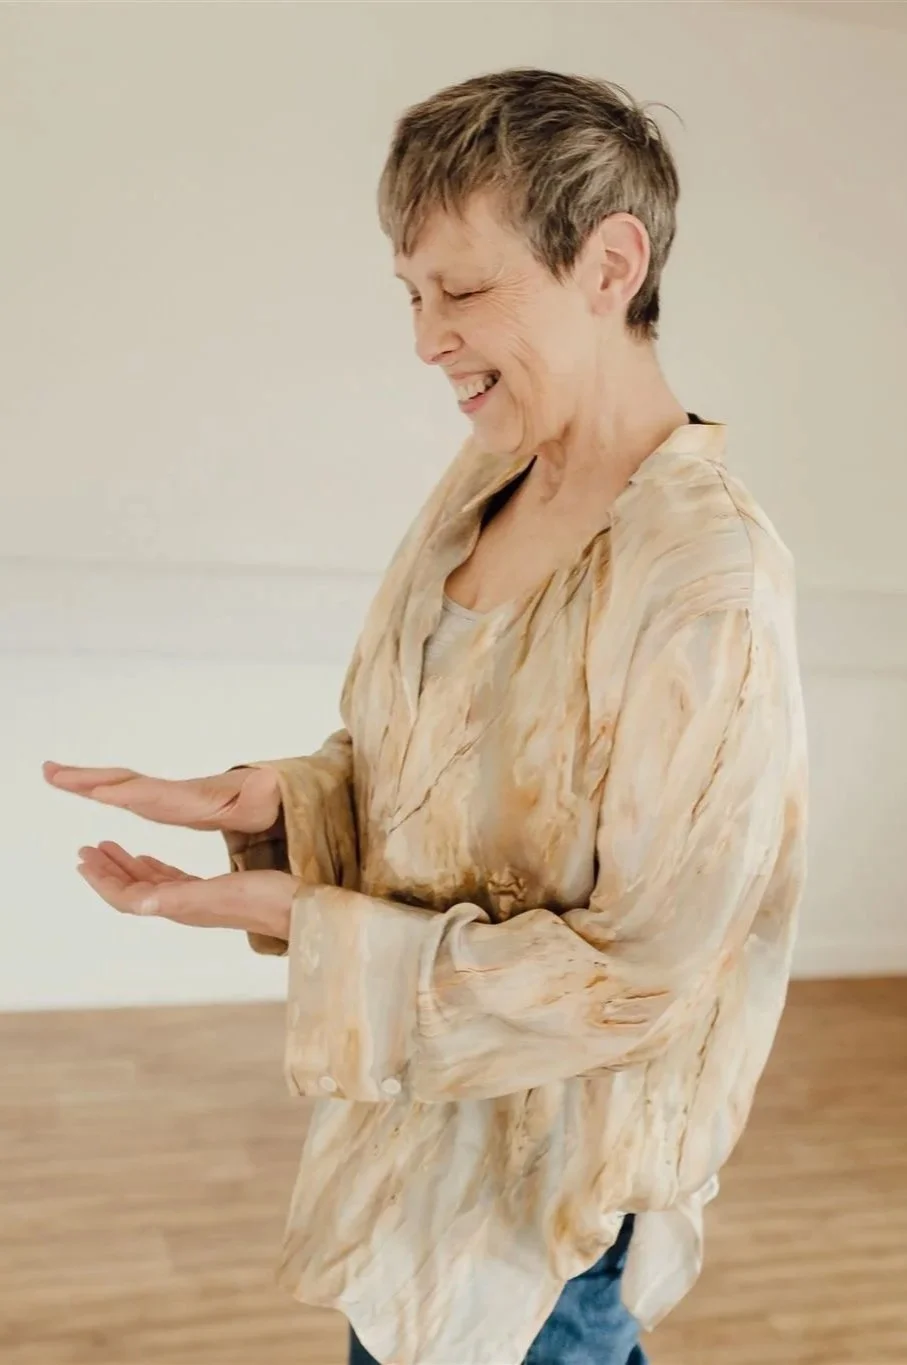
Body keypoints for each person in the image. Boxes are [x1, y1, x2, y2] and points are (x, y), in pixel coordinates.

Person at [43, 68, 808, 1365]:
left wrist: (312, 926)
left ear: (608, 262)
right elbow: (445, 774)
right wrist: (277, 802)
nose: (423, 338)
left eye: (460, 290)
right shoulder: (488, 475)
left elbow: (643, 981)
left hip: (547, 1216)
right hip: (408, 1147)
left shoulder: (705, 577)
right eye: (410, 292)